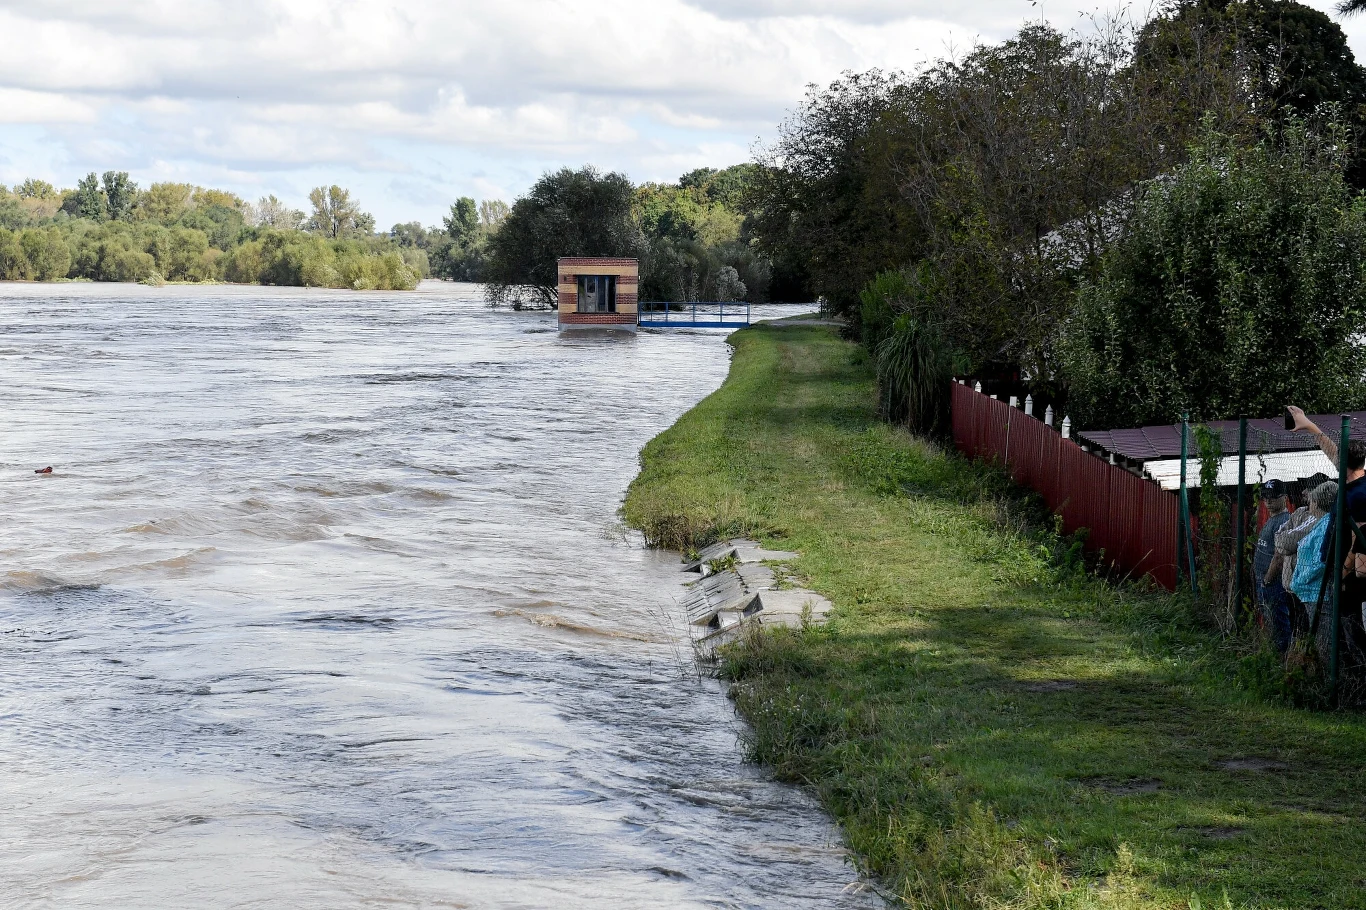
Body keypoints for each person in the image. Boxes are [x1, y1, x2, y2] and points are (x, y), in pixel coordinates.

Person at [1286, 406, 1366, 664]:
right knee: (1342, 636)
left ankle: (1351, 693)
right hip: (1341, 575)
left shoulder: (1360, 496)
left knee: (1352, 640)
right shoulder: (1356, 482)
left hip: (1352, 580)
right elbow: (1335, 454)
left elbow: (1361, 541)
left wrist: (1343, 574)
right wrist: (1310, 427)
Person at [1276, 479, 1336, 635]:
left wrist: (1301, 580)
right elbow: (1281, 539)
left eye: (1311, 499)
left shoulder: (1325, 526)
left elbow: (1320, 561)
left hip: (1316, 592)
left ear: (1316, 502)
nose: (1308, 502)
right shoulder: (1314, 520)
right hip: (1308, 592)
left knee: (1321, 639)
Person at [1254, 479, 1294, 651]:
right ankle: (1274, 655)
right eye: (1265, 497)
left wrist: (1267, 580)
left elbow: (1279, 556)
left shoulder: (1284, 520)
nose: (1268, 501)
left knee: (1279, 622)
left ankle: (1282, 659)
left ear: (1284, 497)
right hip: (1264, 579)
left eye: (1273, 497)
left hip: (1274, 582)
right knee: (1271, 620)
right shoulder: (1273, 519)